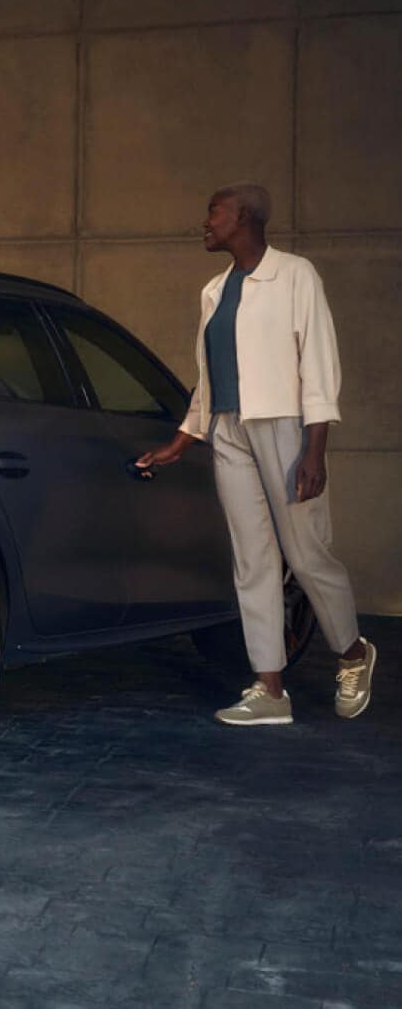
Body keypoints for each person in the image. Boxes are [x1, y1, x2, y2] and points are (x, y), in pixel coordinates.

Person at [136, 182, 376, 726]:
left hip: (285, 427)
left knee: (306, 552)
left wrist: (315, 449)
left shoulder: (295, 275)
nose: (205, 221)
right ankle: (270, 688)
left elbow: (318, 364)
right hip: (228, 431)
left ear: (243, 217)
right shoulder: (213, 291)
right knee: (252, 561)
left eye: (213, 212)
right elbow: (208, 376)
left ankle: (354, 654)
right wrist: (183, 440)